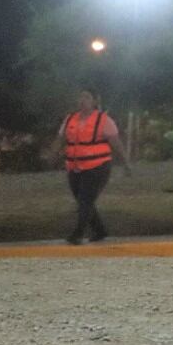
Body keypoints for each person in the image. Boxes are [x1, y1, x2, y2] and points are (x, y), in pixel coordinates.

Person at [58, 88, 128, 245]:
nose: (83, 100)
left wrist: (125, 163)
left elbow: (116, 142)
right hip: (75, 166)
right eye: (80, 97)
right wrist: (52, 154)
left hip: (98, 166)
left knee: (85, 199)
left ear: (94, 101)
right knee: (83, 200)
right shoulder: (70, 119)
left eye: (87, 97)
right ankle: (100, 230)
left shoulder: (104, 120)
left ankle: (78, 233)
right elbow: (61, 138)